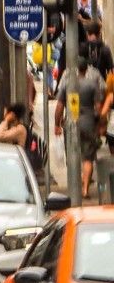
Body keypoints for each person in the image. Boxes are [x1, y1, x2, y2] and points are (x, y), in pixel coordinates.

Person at [55, 56, 106, 199]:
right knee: (88, 158)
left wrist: (56, 124)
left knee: (72, 156)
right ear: (86, 69)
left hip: (71, 123)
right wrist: (100, 124)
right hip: (89, 123)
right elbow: (98, 107)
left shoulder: (66, 84)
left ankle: (74, 188)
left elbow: (59, 106)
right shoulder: (92, 85)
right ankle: (85, 189)